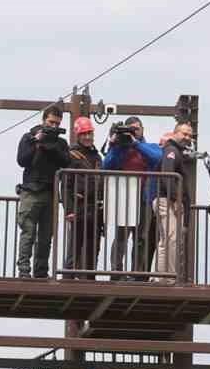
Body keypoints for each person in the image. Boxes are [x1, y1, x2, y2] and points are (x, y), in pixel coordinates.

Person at [100, 116, 163, 280]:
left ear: (142, 130)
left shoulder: (150, 146)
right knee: (121, 236)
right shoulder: (120, 148)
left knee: (141, 238)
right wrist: (114, 144)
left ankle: (138, 273)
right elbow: (107, 166)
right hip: (125, 197)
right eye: (131, 129)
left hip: (144, 198)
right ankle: (117, 272)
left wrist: (136, 144)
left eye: (137, 128)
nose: (134, 132)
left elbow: (157, 158)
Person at [15, 104, 72, 278]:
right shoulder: (29, 137)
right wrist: (36, 142)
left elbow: (66, 162)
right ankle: (24, 269)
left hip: (51, 193)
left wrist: (52, 146)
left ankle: (41, 271)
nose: (54, 126)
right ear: (43, 120)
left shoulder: (60, 142)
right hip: (31, 191)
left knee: (46, 236)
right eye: (51, 122)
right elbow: (22, 160)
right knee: (28, 232)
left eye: (57, 123)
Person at [61, 116, 104, 277]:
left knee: (93, 247)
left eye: (89, 133)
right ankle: (67, 278)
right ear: (78, 135)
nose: (87, 137)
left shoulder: (96, 156)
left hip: (95, 208)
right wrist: (69, 209)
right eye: (84, 134)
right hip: (79, 206)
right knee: (75, 246)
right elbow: (65, 185)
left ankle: (89, 279)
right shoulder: (72, 155)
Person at [151, 123, 193, 284]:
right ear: (175, 133)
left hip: (167, 199)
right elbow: (167, 175)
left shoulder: (175, 152)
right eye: (184, 134)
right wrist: (176, 199)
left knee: (165, 240)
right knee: (173, 238)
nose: (187, 138)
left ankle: (161, 276)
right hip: (166, 200)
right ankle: (169, 277)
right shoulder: (171, 151)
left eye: (190, 135)